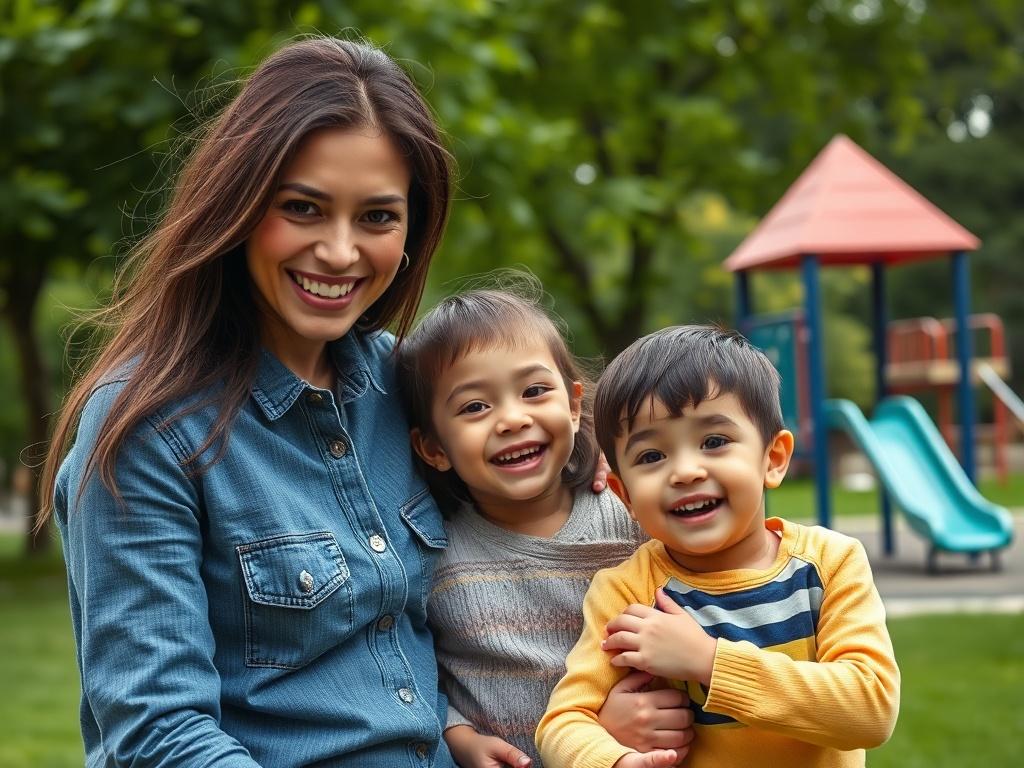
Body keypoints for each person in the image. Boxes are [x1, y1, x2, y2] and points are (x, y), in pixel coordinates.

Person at [40, 37, 460, 767]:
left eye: (378, 217)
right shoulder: (150, 429)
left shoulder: (413, 386)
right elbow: (159, 737)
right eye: (303, 208)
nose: (339, 251)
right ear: (236, 205)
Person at [536, 325, 901, 768]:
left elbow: (871, 711)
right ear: (625, 495)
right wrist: (612, 760)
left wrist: (708, 661)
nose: (686, 471)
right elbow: (563, 722)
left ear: (774, 458)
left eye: (714, 442)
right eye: (651, 456)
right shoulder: (629, 591)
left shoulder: (829, 564)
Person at [397, 285, 695, 768]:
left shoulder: (631, 518)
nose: (513, 419)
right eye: (475, 406)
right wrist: (455, 733)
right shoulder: (435, 551)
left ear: (575, 406)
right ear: (433, 448)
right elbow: (412, 667)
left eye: (534, 391)